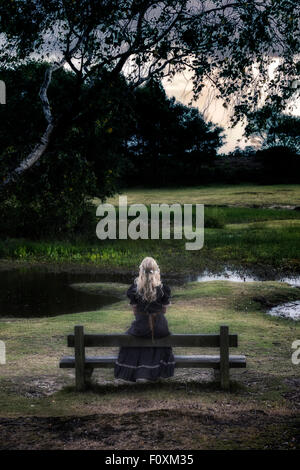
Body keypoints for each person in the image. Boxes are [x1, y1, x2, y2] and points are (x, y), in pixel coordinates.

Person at [114, 257, 175, 382]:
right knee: (158, 338)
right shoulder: (163, 289)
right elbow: (164, 311)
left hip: (141, 326)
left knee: (133, 337)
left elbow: (135, 312)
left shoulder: (135, 289)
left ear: (141, 270)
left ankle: (139, 371)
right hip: (160, 327)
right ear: (156, 270)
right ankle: (155, 369)